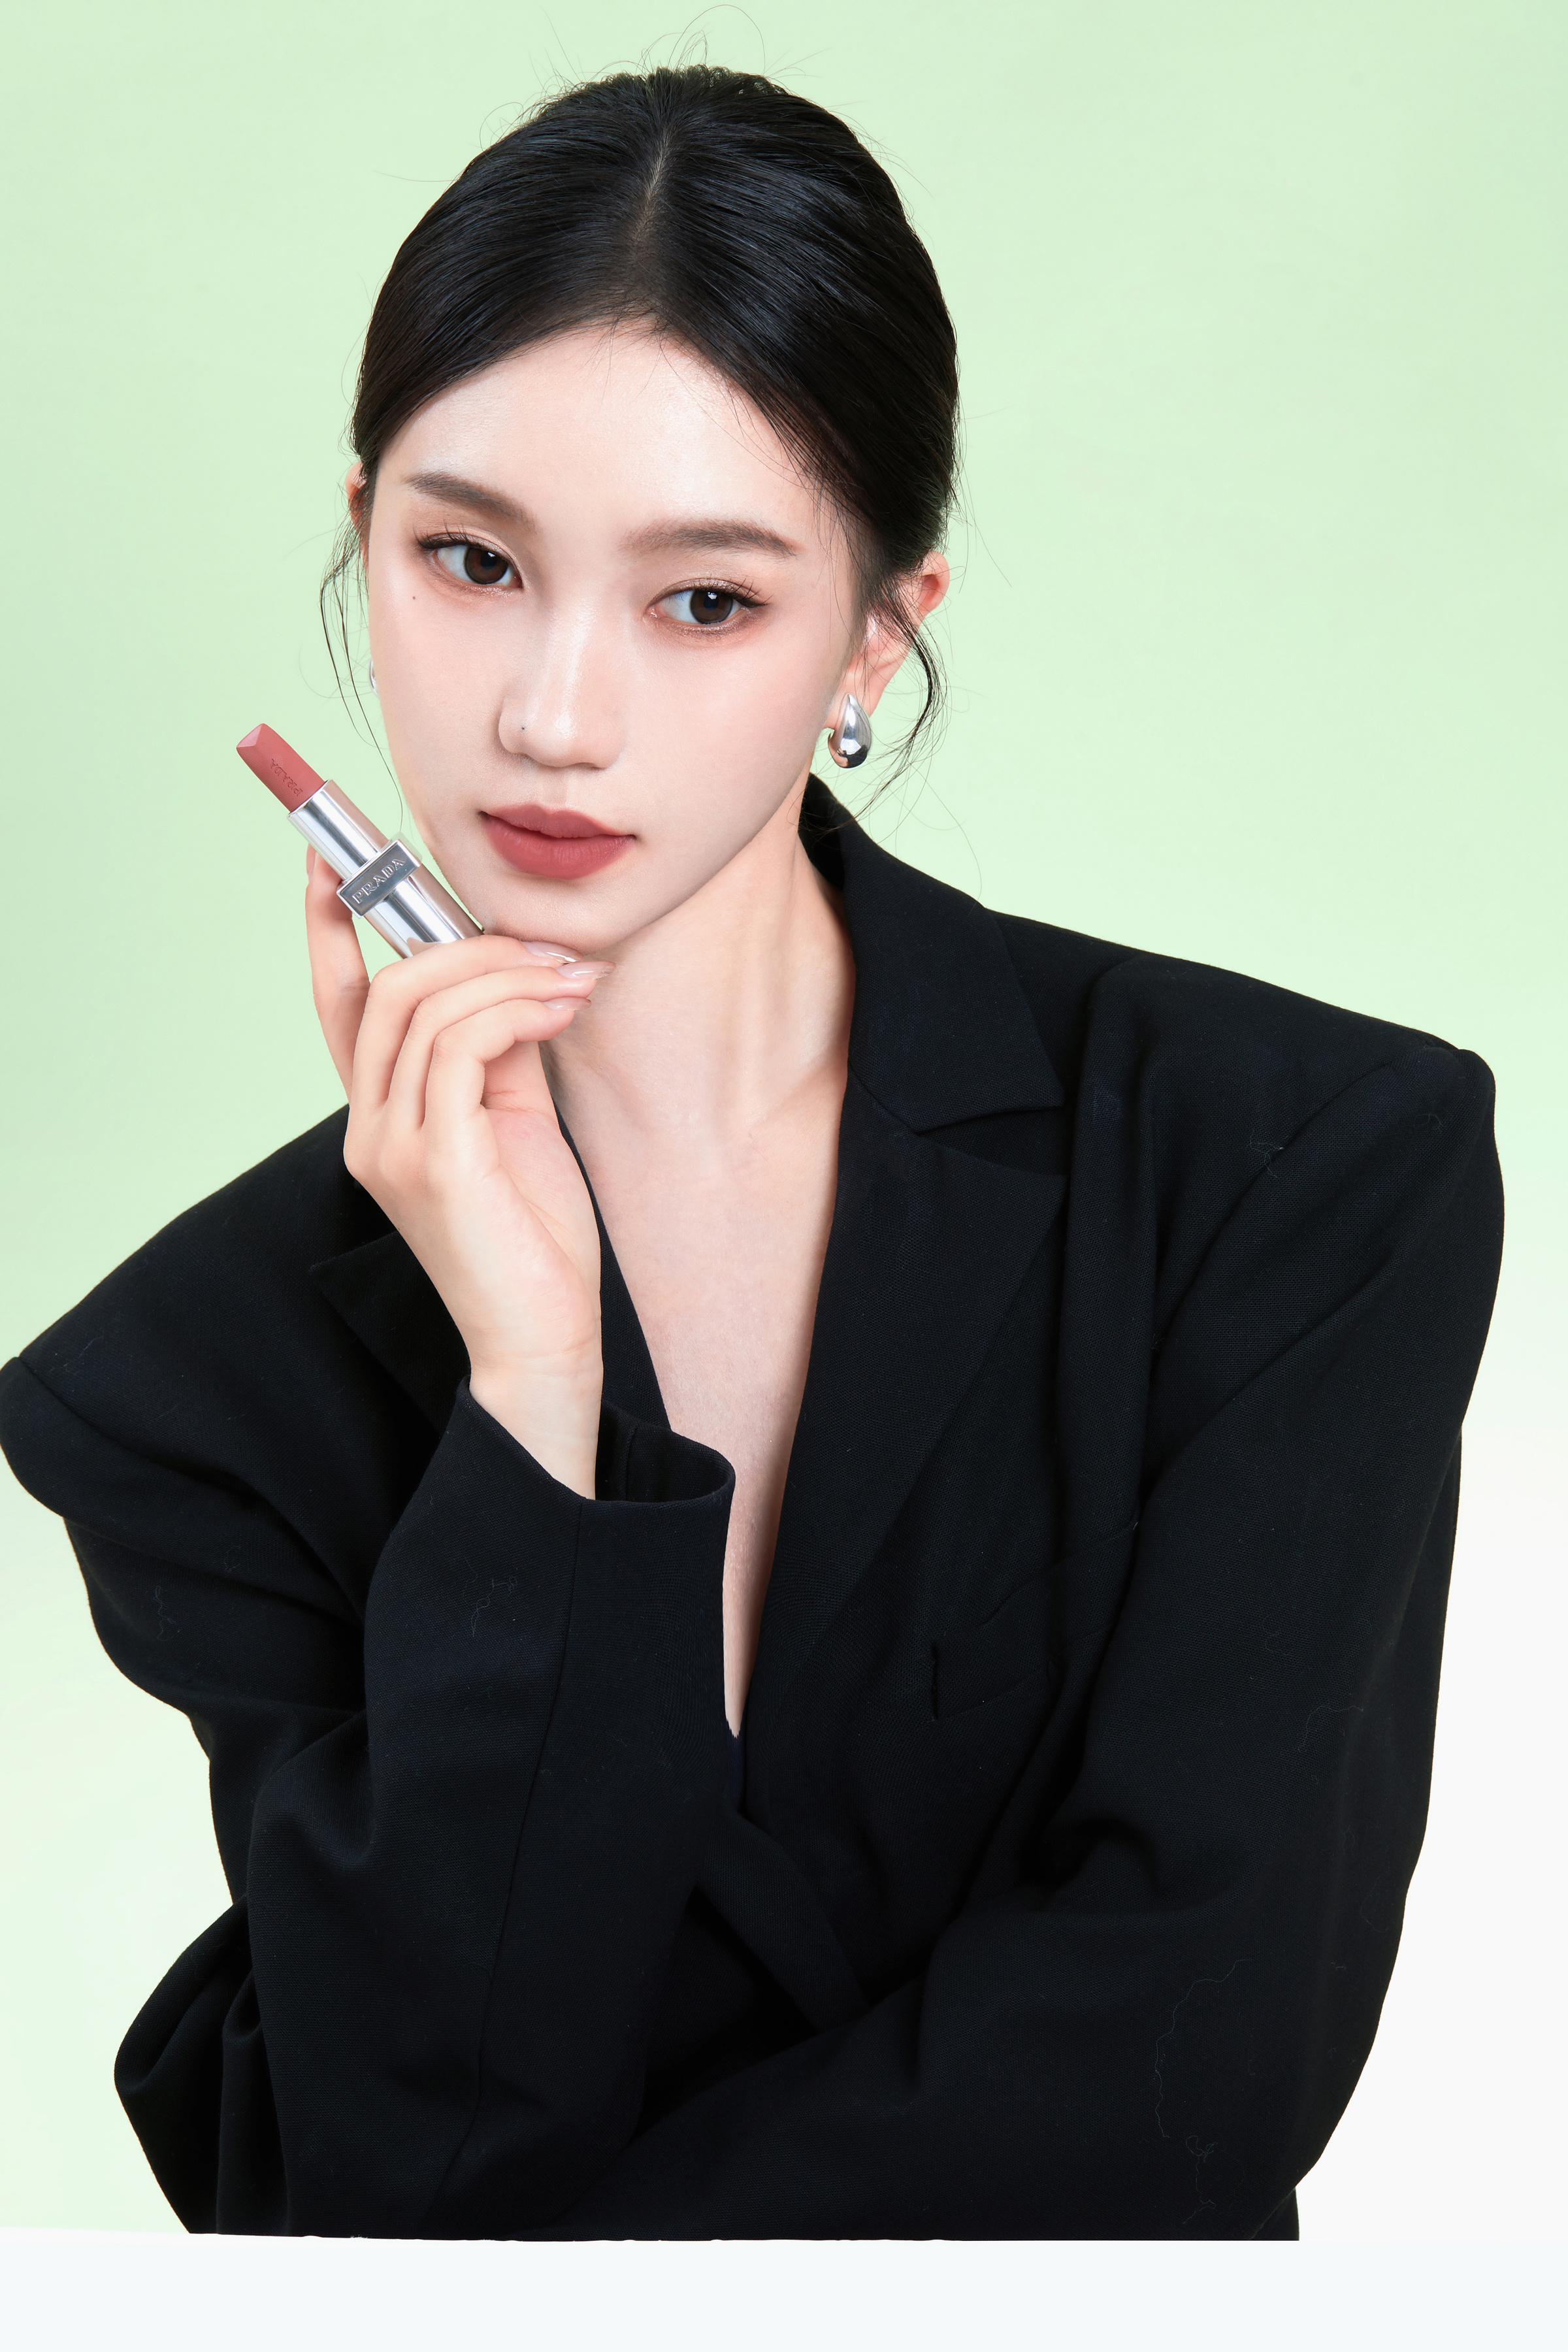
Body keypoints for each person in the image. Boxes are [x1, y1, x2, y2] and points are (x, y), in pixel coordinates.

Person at [0, 65, 1502, 2240]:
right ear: (364, 535)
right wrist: (534, 1400)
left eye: (704, 601)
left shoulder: (1292, 1169)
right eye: (468, 560)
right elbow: (425, 2142)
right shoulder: (185, 1389)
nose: (552, 714)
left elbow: (1197, 2049)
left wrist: (533, 2272)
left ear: (878, 631)